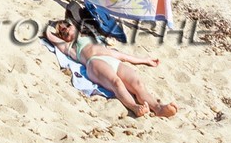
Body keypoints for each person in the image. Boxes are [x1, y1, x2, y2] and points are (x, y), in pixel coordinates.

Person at [45, 19, 177, 118]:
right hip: (94, 62)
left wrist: (145, 60)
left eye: (67, 26)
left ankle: (158, 108)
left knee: (138, 83)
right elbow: (49, 34)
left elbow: (122, 56)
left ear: (74, 25)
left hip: (111, 59)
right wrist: (52, 26)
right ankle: (135, 107)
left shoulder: (90, 38)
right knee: (116, 83)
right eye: (62, 31)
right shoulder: (69, 47)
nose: (66, 30)